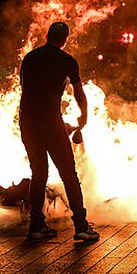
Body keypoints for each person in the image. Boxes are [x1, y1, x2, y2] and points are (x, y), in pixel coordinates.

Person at [18, 22, 99, 241]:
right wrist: (83, 117)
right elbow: (79, 94)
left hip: (27, 121)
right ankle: (81, 226)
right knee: (69, 174)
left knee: (39, 174)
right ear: (64, 40)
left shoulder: (30, 58)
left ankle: (36, 226)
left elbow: (25, 88)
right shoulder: (67, 61)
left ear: (47, 36)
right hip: (51, 123)